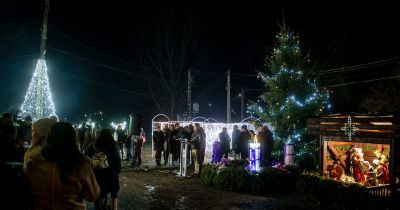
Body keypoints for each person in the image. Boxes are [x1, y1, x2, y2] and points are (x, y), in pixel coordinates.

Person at [25, 122, 100, 210]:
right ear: (73, 138)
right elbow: (93, 195)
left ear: (50, 137)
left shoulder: (34, 162)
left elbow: (27, 192)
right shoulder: (80, 164)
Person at [93, 129, 121, 210]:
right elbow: (117, 161)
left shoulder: (95, 145)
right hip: (111, 174)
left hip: (99, 174)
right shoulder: (112, 146)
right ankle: (114, 208)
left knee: (101, 192)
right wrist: (117, 170)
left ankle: (101, 207)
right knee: (114, 193)